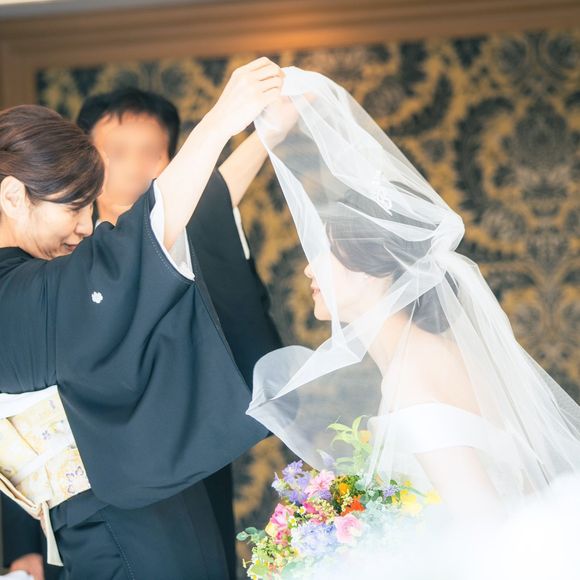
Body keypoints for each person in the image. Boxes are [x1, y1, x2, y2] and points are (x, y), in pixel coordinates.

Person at [244, 67, 580, 578]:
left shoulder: (412, 377)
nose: (310, 269)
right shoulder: (434, 354)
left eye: (325, 252)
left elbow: (487, 534)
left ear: (374, 270)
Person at [0, 56, 282, 579]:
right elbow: (138, 243)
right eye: (73, 208)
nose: (86, 227)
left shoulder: (39, 284)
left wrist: (265, 137)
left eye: (90, 209)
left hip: (139, 509)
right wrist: (221, 120)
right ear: (14, 196)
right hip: (120, 523)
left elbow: (176, 228)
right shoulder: (18, 294)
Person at [76, 87, 282, 578]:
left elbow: (214, 195)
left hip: (192, 454)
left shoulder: (191, 235)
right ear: (84, 158)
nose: (134, 167)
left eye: (152, 152)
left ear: (173, 160)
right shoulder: (58, 250)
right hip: (95, 479)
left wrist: (273, 130)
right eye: (116, 151)